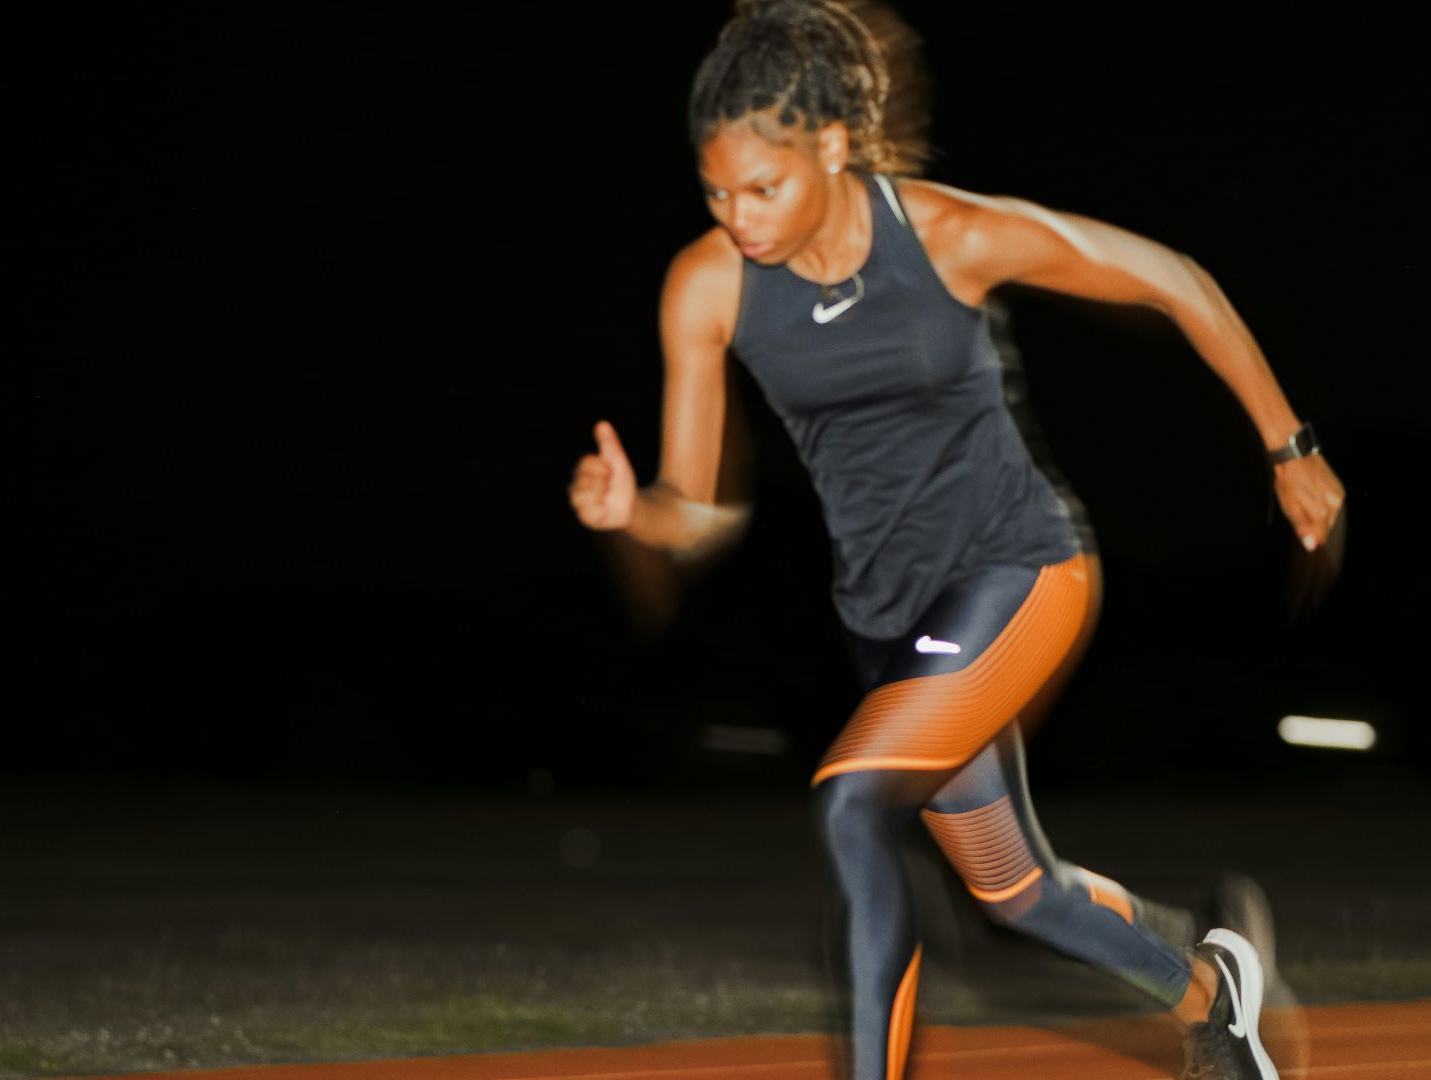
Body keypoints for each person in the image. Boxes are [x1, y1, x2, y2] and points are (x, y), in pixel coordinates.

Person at [569, 3, 1345, 1077]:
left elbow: (1174, 279)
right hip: (891, 622)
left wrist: (1290, 447)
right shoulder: (705, 285)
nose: (738, 217)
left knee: (853, 802)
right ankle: (1211, 991)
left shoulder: (949, 236)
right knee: (1015, 890)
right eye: (716, 193)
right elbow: (697, 507)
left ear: (830, 147)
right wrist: (635, 513)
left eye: (762, 189)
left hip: (1021, 570)